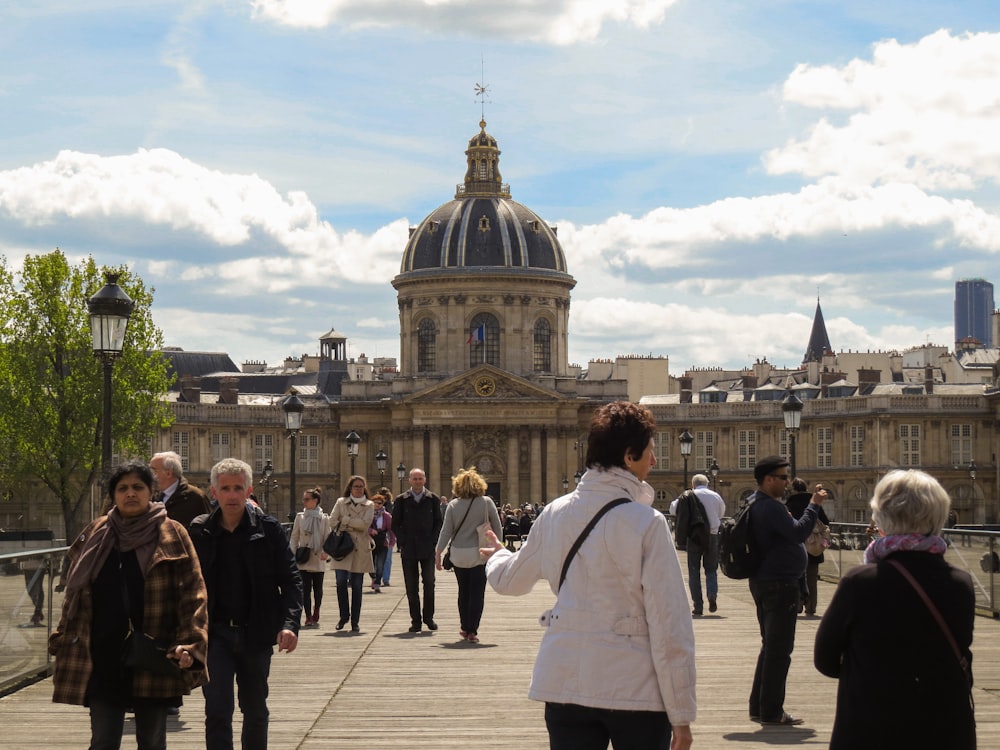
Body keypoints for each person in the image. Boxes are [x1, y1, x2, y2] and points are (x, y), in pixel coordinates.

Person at [483, 401, 695, 750]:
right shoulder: (648, 523)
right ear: (629, 457)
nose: (654, 461)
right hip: (634, 689)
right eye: (650, 453)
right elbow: (671, 625)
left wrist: (497, 556)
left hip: (565, 682)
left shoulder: (554, 513)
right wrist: (682, 715)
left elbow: (510, 581)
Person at [48, 461, 208, 750]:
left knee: (152, 740)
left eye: (138, 487)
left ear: (151, 492)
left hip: (154, 653)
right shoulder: (96, 532)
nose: (130, 494)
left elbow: (194, 593)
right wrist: (63, 634)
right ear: (113, 495)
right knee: (103, 740)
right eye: (122, 488)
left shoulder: (173, 532)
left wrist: (192, 643)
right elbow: (75, 592)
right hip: (102, 652)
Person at [815, 470, 975, 749]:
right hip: (946, 728)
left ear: (882, 518)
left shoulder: (860, 581)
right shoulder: (961, 583)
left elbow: (825, 659)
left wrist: (870, 672)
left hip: (872, 724)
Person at [189, 458, 302, 750]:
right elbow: (186, 586)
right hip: (215, 635)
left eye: (238, 488)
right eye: (225, 488)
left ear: (250, 490)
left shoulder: (269, 529)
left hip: (256, 633)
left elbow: (290, 581)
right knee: (216, 711)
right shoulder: (200, 532)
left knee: (254, 711)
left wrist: (289, 625)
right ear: (213, 492)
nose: (232, 495)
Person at [746, 455, 826, 726]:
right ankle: (771, 711)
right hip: (779, 585)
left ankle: (759, 706)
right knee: (780, 650)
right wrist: (813, 506)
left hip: (765, 581)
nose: (787, 482)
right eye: (783, 477)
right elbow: (798, 533)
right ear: (769, 480)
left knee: (770, 646)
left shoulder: (756, 503)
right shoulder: (770, 507)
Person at [434, 467, 502, 643]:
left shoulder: (453, 505)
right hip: (480, 554)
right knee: (477, 593)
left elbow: (446, 531)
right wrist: (497, 549)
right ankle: (472, 629)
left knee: (463, 591)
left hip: (458, 555)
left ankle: (464, 626)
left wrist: (438, 552)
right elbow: (497, 527)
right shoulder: (487, 502)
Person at [393, 467, 443, 633]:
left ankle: (428, 617)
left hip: (427, 548)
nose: (417, 481)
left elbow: (438, 523)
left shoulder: (433, 499)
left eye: (420, 478)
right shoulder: (401, 500)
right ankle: (416, 620)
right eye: (415, 479)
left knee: (429, 584)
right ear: (409, 480)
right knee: (411, 586)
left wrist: (433, 541)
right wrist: (402, 542)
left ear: (425, 480)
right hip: (409, 548)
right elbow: (395, 524)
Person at [329, 475, 375, 632]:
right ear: (350, 488)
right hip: (342, 548)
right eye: (356, 486)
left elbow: (364, 525)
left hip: (360, 549)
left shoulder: (369, 505)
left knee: (357, 586)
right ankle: (344, 616)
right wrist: (353, 524)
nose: (358, 489)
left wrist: (346, 521)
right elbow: (332, 521)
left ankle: (355, 620)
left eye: (361, 486)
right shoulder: (341, 502)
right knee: (341, 583)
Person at [786, 477, 830, 616]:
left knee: (797, 576)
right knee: (812, 577)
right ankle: (811, 608)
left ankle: (798, 604)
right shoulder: (814, 502)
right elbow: (825, 521)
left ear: (794, 490)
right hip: (814, 546)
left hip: (798, 546)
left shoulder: (790, 503)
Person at [685, 474, 726, 615]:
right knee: (711, 569)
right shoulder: (715, 496)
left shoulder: (689, 495)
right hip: (712, 536)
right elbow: (721, 513)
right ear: (707, 484)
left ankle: (698, 606)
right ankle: (712, 595)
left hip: (694, 537)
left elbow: (674, 508)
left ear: (693, 484)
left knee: (694, 570)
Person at [291, 487, 330, 628]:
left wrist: (326, 552)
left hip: (318, 557)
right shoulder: (300, 517)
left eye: (307, 499)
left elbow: (327, 538)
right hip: (304, 557)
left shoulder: (324, 518)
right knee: (305, 590)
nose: (304, 502)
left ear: (316, 501)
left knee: (318, 589)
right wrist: (292, 554)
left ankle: (317, 609)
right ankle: (307, 616)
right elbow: (294, 538)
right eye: (303, 499)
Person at [149, 451, 210, 528]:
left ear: (168, 473)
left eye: (154, 471)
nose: (150, 476)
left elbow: (209, 529)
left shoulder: (196, 497)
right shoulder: (152, 496)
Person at [368, 489, 395, 593]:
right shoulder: (368, 514)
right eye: (375, 503)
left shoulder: (387, 516)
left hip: (383, 541)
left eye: (379, 503)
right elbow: (363, 527)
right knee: (370, 564)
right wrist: (370, 530)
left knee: (380, 564)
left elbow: (391, 530)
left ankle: (377, 583)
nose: (377, 505)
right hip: (370, 542)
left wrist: (392, 542)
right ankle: (374, 578)